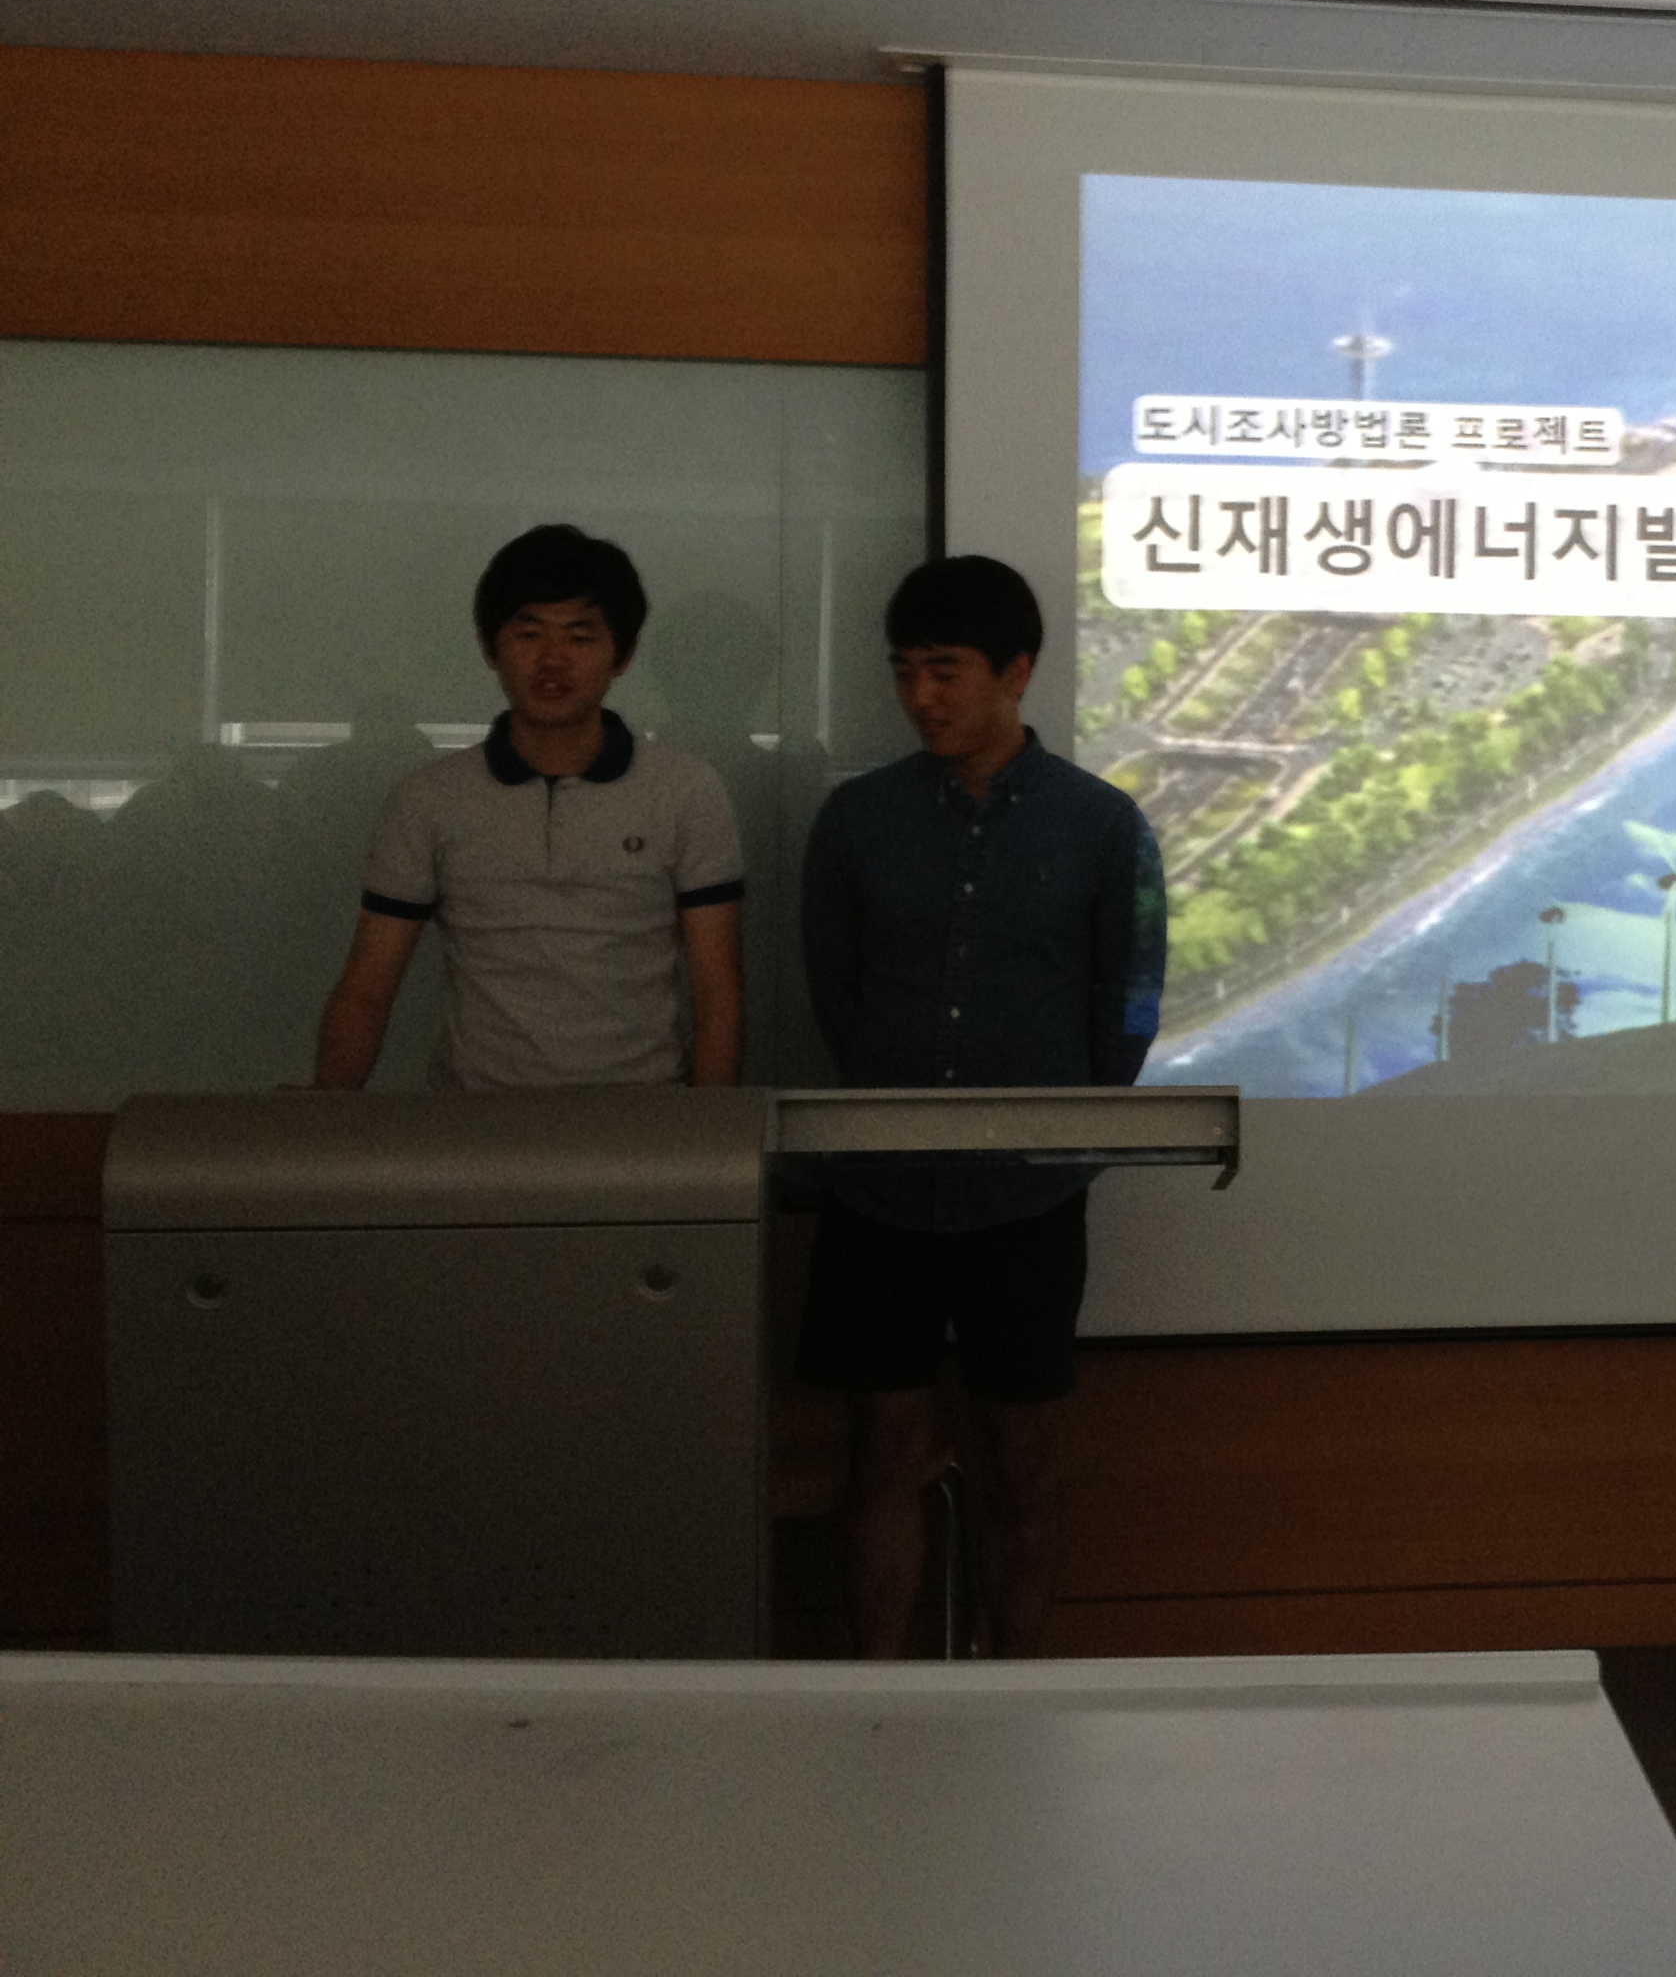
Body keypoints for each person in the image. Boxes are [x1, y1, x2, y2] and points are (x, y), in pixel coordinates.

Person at [795, 555, 1165, 1658]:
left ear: (1017, 671)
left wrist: (1069, 1137)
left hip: (1028, 1197)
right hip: (878, 1191)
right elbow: (836, 995)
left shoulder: (1102, 825)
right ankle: (879, 1697)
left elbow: (1129, 1003)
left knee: (1023, 1457)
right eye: (904, 671)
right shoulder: (856, 820)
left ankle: (1014, 1692)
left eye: (946, 670)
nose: (922, 697)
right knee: (881, 1447)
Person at [314, 525, 745, 1090]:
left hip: (642, 1116)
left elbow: (718, 994)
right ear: (489, 647)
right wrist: (322, 1116)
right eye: (529, 633)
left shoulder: (685, 790)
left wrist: (708, 1133)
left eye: (580, 636)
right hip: (475, 1118)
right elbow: (367, 991)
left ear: (624, 655)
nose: (553, 659)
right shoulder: (429, 799)